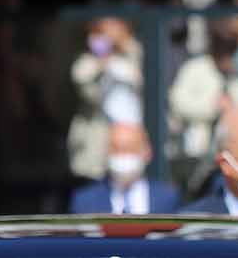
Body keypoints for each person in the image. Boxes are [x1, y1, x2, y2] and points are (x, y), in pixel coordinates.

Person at [67, 17, 144, 180]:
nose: (110, 32)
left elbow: (143, 77)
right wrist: (101, 58)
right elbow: (80, 78)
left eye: (115, 25)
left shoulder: (135, 52)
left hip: (131, 138)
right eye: (104, 28)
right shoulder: (89, 60)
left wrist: (123, 43)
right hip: (98, 143)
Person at [69, 121, 180, 215]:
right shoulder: (84, 201)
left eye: (130, 149)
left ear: (147, 152)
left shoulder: (167, 198)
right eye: (116, 149)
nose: (123, 156)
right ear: (106, 152)